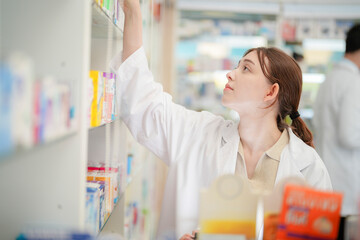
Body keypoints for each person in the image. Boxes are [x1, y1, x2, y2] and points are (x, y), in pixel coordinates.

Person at [115, 0, 332, 239]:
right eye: (237, 66)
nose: (230, 73)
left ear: (270, 93)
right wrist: (132, 10)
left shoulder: (309, 168)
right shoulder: (199, 133)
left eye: (246, 69)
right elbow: (142, 103)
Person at [313, 24, 360, 232]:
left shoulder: (329, 78)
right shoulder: (353, 82)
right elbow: (349, 136)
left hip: (326, 175)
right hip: (344, 181)